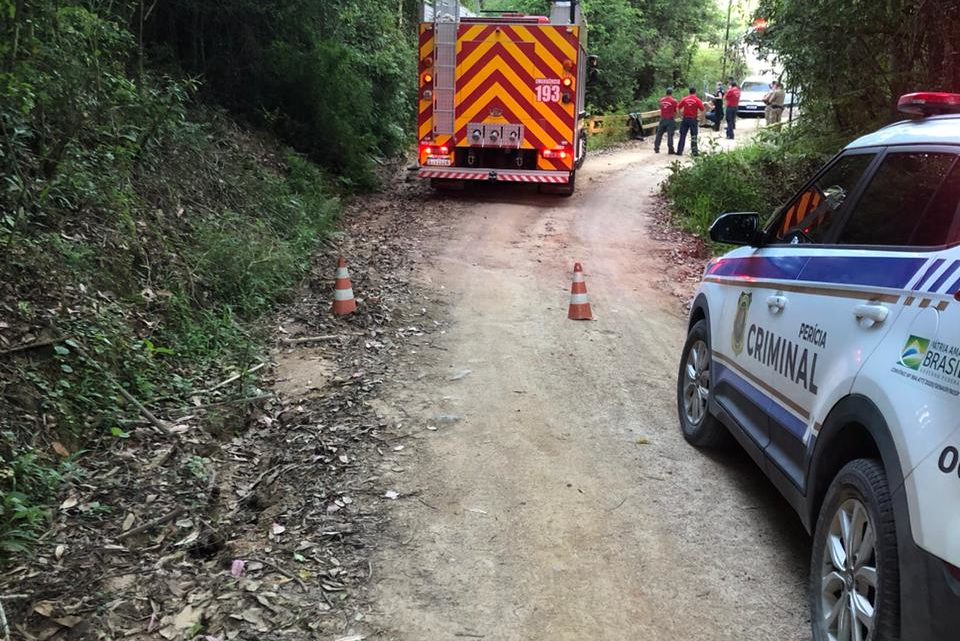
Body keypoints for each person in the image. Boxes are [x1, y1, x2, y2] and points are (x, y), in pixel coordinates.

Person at [676, 86, 705, 156]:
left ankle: (679, 151)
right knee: (694, 136)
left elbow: (677, 107)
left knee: (682, 135)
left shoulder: (685, 99)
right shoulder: (697, 100)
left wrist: (680, 116)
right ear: (695, 92)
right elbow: (703, 110)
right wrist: (700, 117)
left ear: (689, 92)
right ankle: (694, 152)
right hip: (693, 119)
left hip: (685, 119)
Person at [653, 87, 678, 154]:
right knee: (670, 135)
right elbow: (675, 111)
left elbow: (661, 108)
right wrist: (674, 118)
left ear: (666, 93)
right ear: (671, 93)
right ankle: (670, 149)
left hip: (662, 118)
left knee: (659, 134)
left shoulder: (661, 100)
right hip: (670, 119)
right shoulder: (674, 101)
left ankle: (656, 148)